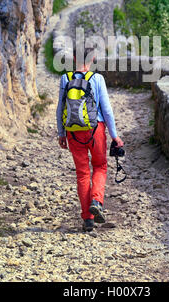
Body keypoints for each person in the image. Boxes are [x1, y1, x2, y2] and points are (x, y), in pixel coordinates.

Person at [56, 47, 124, 232]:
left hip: (73, 132)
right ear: (92, 58)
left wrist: (61, 133)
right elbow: (107, 110)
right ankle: (97, 200)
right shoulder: (97, 79)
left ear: (75, 58)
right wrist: (114, 135)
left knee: (82, 173)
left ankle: (88, 219)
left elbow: (60, 108)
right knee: (100, 166)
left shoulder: (65, 78)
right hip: (96, 129)